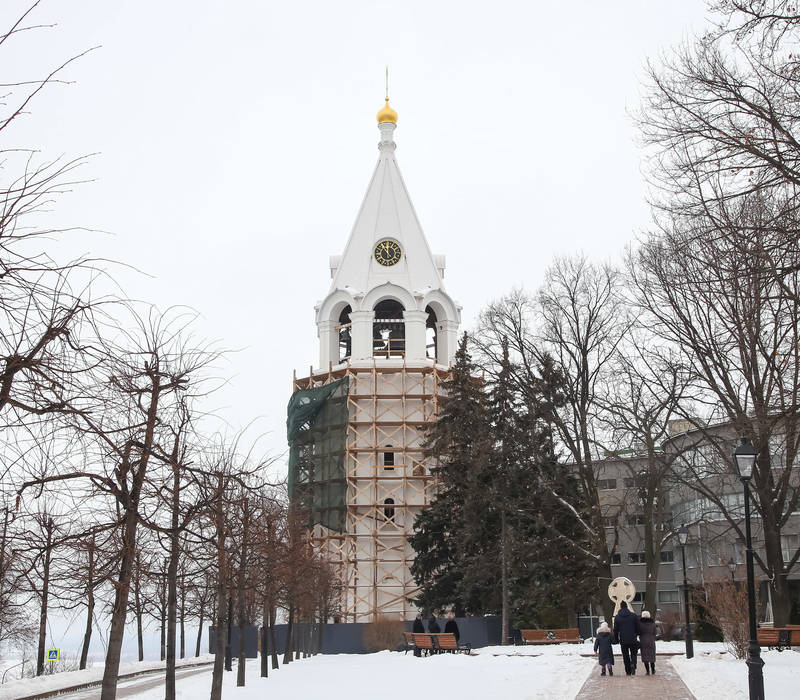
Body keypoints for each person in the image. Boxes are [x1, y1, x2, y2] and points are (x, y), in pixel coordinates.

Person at [613, 600, 641, 675]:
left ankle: (628, 670)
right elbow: (638, 626)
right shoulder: (633, 615)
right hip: (632, 638)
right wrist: (637, 634)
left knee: (625, 655)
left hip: (623, 639)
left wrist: (616, 639)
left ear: (620, 607)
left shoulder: (617, 617)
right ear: (627, 607)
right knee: (634, 653)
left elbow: (615, 629)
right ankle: (633, 664)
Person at [638, 610, 657, 675]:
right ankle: (653, 669)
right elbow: (655, 632)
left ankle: (647, 671)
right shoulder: (653, 623)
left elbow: (639, 632)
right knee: (652, 656)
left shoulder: (640, 624)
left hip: (643, 641)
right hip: (651, 641)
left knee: (645, 656)